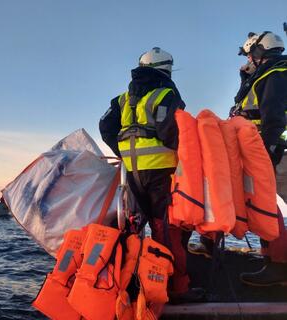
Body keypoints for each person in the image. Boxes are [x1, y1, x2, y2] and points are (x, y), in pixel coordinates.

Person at [99, 47, 205, 303]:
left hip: (133, 173)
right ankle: (175, 288)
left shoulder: (123, 98)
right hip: (161, 172)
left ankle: (131, 282)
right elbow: (170, 130)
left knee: (134, 227)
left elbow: (105, 126)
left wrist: (123, 150)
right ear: (167, 69)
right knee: (167, 229)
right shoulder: (166, 93)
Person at [231, 31, 287, 286]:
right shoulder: (267, 74)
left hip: (272, 151)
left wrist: (269, 148)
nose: (249, 59)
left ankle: (278, 265)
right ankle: (272, 259)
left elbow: (273, 115)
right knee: (263, 206)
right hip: (267, 150)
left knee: (265, 207)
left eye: (251, 54)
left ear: (260, 51)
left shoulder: (274, 74)